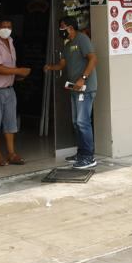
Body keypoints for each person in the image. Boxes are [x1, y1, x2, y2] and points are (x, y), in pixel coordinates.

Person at [44, 15, 99, 169]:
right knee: (76, 122)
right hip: (74, 88)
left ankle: (89, 157)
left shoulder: (82, 39)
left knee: (83, 122)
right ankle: (81, 153)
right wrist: (50, 67)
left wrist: (83, 78)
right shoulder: (67, 44)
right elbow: (62, 64)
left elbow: (93, 59)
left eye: (63, 26)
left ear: (71, 27)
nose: (61, 29)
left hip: (85, 88)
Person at [0, 16, 32, 166]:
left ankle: (11, 154)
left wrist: (17, 76)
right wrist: (20, 71)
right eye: (4, 26)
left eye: (9, 27)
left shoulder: (10, 41)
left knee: (10, 123)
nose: (6, 30)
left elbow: (8, 67)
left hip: (9, 89)